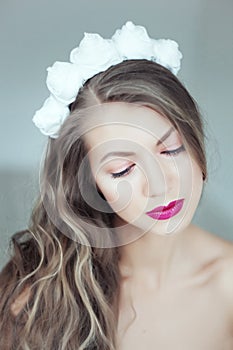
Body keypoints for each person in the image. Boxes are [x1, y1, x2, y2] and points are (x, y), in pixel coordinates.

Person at [0, 21, 233, 350]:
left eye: (170, 150)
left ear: (195, 141)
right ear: (90, 183)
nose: (160, 185)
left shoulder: (228, 286)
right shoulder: (36, 295)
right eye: (123, 170)